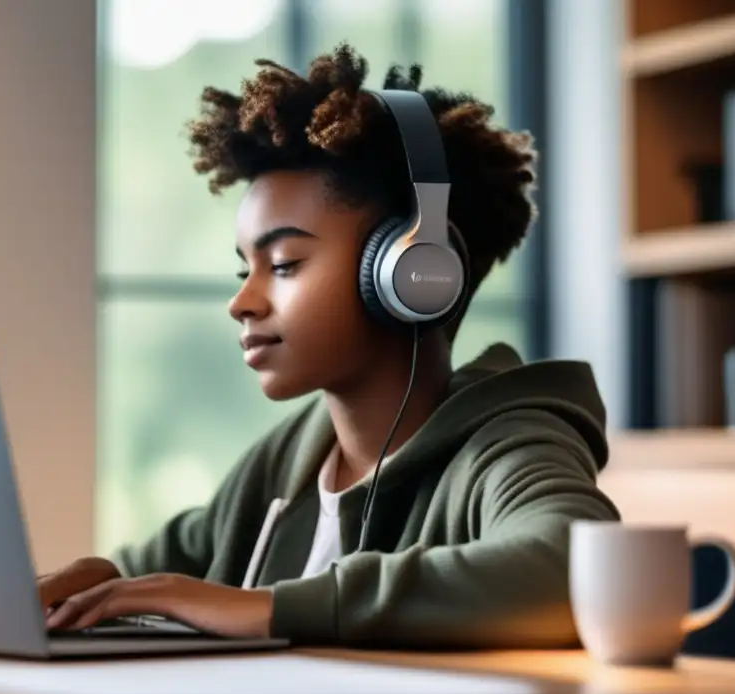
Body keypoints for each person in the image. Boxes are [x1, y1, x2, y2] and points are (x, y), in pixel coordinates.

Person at [39, 43, 621, 649]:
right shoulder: (295, 454)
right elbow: (169, 564)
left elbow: (577, 567)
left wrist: (267, 607)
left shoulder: (509, 442)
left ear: (415, 271)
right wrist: (97, 581)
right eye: (246, 270)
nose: (243, 302)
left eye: (284, 264)